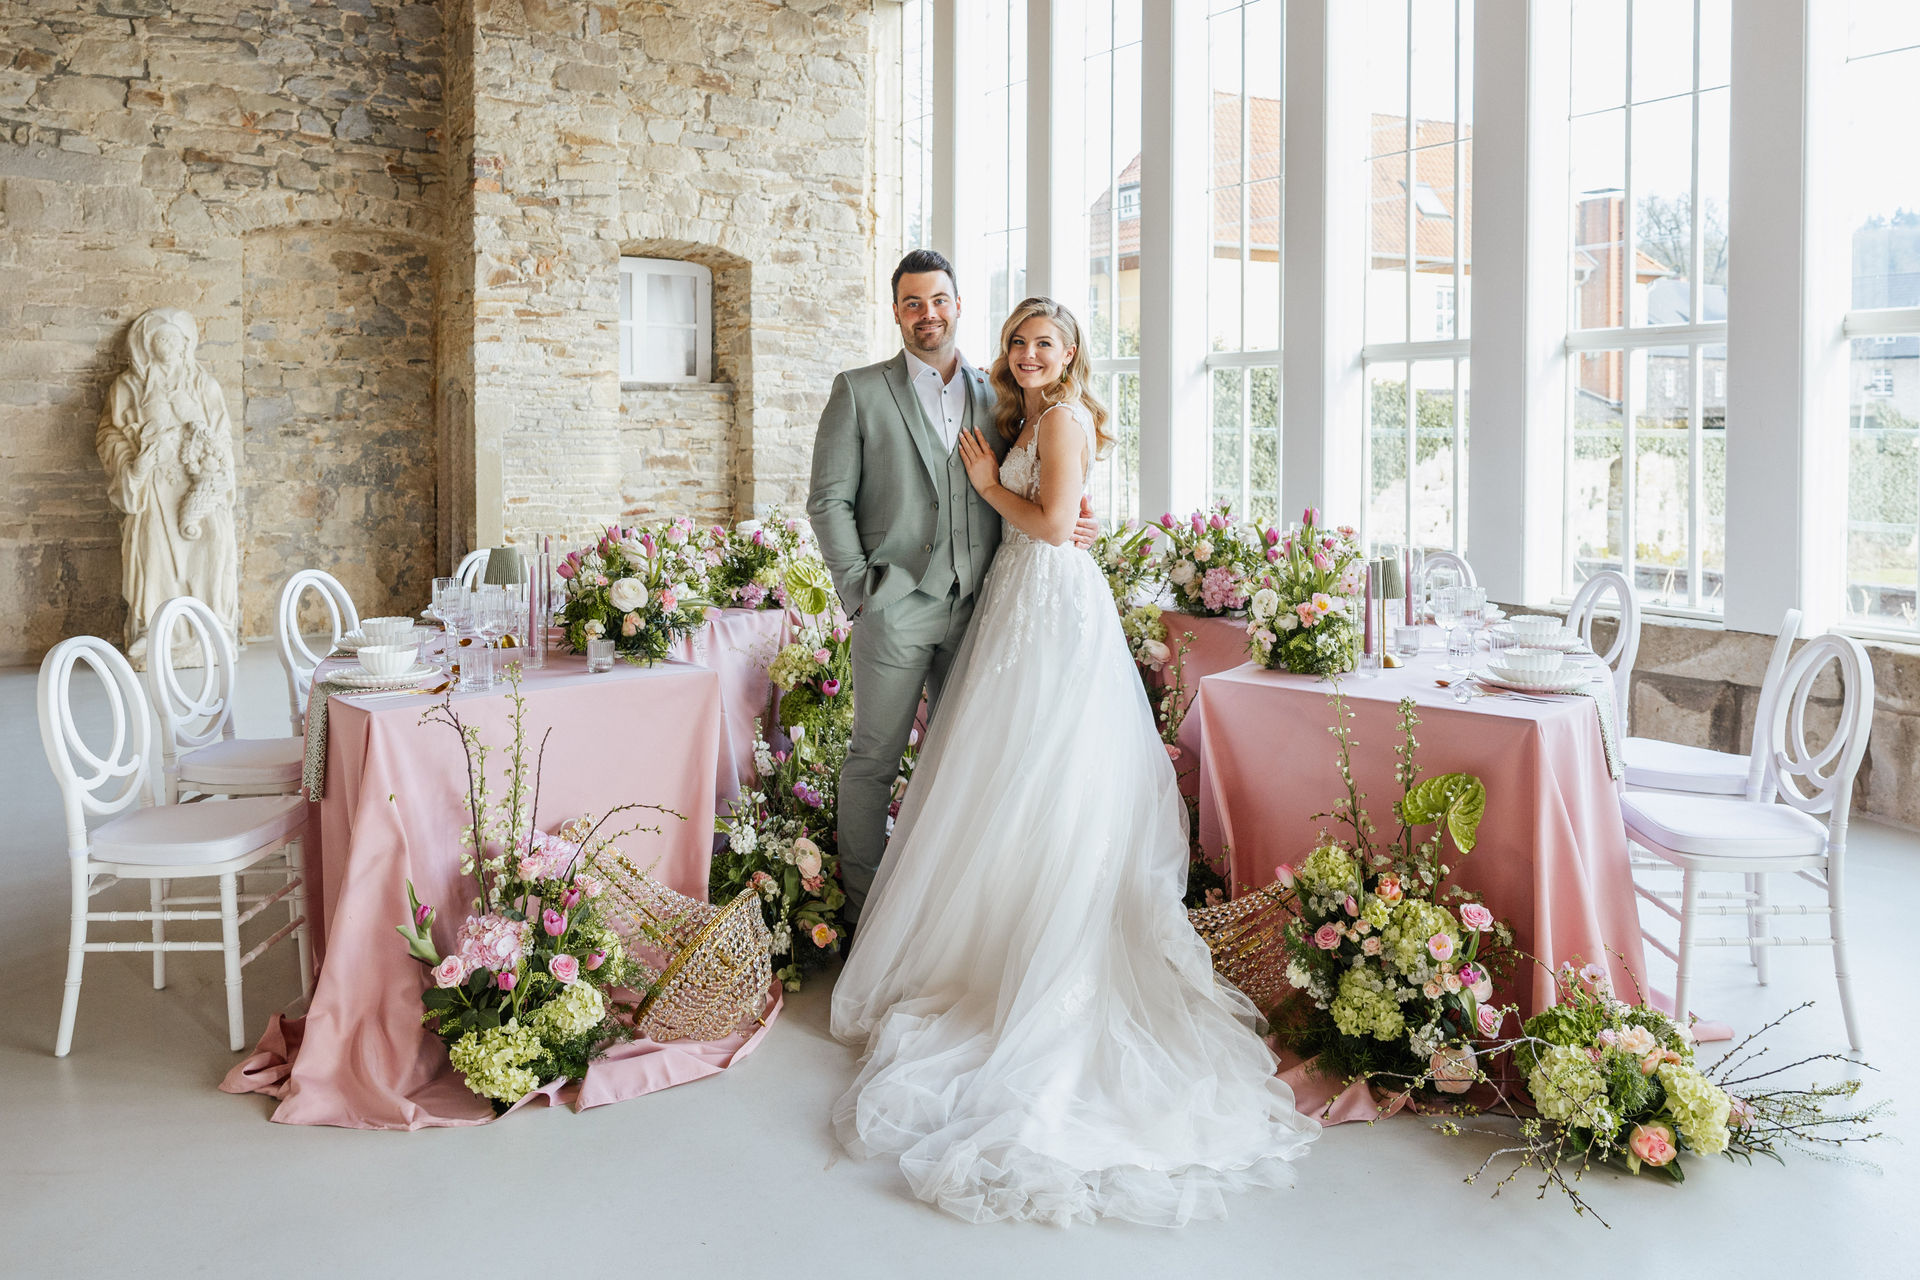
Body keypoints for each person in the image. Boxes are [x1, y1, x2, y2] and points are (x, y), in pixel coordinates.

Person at [827, 296, 1319, 1227]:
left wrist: (993, 490)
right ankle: (973, 930)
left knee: (1045, 773)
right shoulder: (1011, 410)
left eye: (1041, 342)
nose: (1024, 353)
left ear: (1070, 352)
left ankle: (1037, 957)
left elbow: (1053, 524)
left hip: (1046, 599)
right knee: (997, 775)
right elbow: (1040, 516)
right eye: (1017, 342)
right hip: (1007, 601)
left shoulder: (1057, 417)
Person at [806, 250, 1097, 923]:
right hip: (895, 609)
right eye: (912, 302)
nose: (926, 314)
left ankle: (936, 917)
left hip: (983, 610)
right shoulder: (859, 390)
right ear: (897, 311)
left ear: (959, 306)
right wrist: (860, 591)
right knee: (872, 762)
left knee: (962, 769)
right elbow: (828, 502)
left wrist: (1085, 517)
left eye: (938, 300)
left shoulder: (1000, 393)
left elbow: (1056, 469)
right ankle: (864, 919)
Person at [95, 307, 240, 666]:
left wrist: (214, 462)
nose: (168, 344)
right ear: (146, 344)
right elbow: (108, 435)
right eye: (160, 338)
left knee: (212, 549)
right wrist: (135, 462)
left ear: (186, 343)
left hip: (199, 483)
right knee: (153, 555)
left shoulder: (204, 386)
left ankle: (213, 628)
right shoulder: (128, 387)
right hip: (154, 485)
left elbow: (222, 434)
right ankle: (154, 631)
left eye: (175, 337)